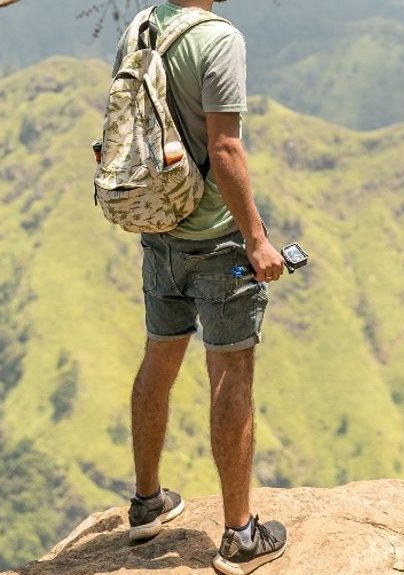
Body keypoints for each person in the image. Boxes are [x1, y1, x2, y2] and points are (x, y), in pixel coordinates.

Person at [112, 1, 288, 573]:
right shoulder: (220, 39)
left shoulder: (140, 27)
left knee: (158, 360)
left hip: (159, 230)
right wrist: (257, 240)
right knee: (230, 373)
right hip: (216, 241)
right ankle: (239, 536)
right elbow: (226, 148)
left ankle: (146, 504)